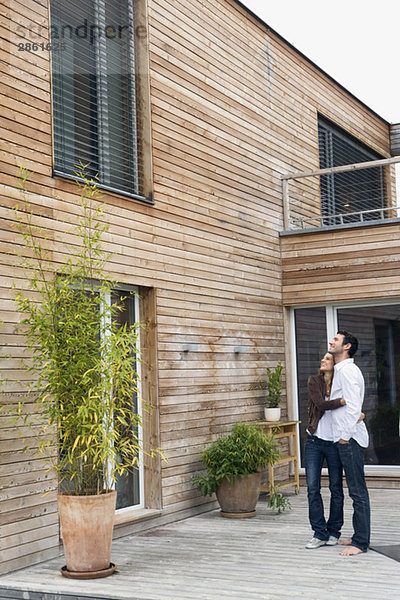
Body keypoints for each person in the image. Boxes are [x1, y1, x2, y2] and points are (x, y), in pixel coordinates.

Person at [329, 330, 370, 556]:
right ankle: (357, 536)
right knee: (355, 489)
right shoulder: (341, 370)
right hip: (345, 437)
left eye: (335, 340)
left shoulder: (348, 371)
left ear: (346, 347)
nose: (331, 341)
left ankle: (361, 543)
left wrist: (344, 436)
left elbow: (354, 406)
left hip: (350, 438)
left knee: (357, 491)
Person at [305, 352, 346, 549]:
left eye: (327, 359)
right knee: (313, 489)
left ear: (335, 364)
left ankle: (334, 531)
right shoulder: (314, 381)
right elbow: (320, 404)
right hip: (314, 441)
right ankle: (319, 532)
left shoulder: (341, 383)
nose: (323, 360)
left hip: (335, 442)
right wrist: (340, 402)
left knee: (336, 489)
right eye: (322, 358)